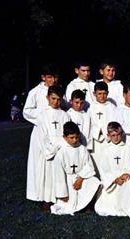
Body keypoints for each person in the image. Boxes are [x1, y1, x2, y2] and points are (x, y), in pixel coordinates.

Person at [24, 64, 59, 202]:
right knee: (40, 164)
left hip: (57, 132)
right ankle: (40, 194)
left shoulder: (58, 91)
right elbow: (27, 111)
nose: (53, 80)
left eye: (55, 77)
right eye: (49, 77)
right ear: (43, 77)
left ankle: (56, 193)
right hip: (41, 133)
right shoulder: (36, 92)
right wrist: (43, 116)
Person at [51, 122, 101, 215]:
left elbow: (89, 166)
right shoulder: (61, 153)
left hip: (80, 177)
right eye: (71, 138)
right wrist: (62, 194)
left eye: (76, 137)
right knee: (68, 204)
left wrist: (80, 178)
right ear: (65, 137)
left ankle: (87, 205)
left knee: (94, 181)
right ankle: (78, 204)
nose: (74, 140)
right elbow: (59, 175)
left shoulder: (82, 149)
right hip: (68, 180)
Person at [35, 85, 71, 208]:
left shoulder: (65, 115)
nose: (56, 102)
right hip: (50, 149)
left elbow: (67, 134)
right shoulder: (42, 116)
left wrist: (62, 145)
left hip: (62, 150)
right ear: (47, 98)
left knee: (60, 174)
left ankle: (60, 196)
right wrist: (53, 147)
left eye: (58, 99)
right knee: (48, 174)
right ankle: (47, 198)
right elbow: (42, 137)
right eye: (53, 98)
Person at [94, 122, 130, 217]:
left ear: (121, 134)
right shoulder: (106, 150)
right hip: (112, 181)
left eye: (118, 134)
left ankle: (126, 208)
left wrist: (126, 174)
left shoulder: (127, 149)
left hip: (124, 177)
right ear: (109, 136)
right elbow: (104, 170)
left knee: (128, 183)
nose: (116, 137)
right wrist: (114, 179)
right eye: (113, 135)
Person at [87, 81, 116, 177]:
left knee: (108, 166)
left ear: (108, 93)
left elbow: (114, 124)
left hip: (108, 141)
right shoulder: (91, 108)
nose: (102, 96)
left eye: (104, 94)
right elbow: (88, 125)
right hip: (96, 142)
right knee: (97, 166)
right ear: (94, 94)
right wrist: (97, 131)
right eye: (99, 94)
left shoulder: (112, 107)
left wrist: (104, 131)